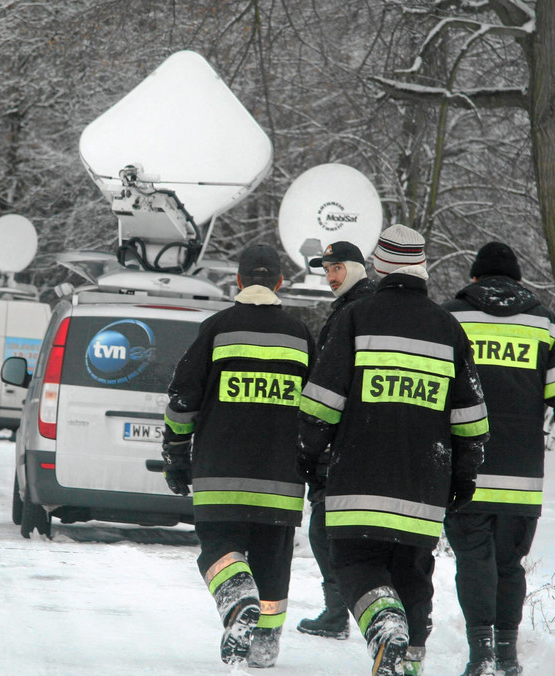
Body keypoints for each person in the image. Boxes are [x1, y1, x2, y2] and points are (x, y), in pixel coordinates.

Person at [297, 224, 489, 676]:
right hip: (425, 486)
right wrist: (463, 477)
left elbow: (320, 403)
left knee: (355, 562)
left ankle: (384, 625)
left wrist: (308, 455)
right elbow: (472, 419)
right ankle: (409, 666)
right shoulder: (448, 329)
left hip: (357, 481)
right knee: (413, 576)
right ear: (422, 267)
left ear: (378, 266)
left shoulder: (355, 319)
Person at [442, 242, 555, 676]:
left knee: (474, 559)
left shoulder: (451, 318)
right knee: (509, 564)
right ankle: (507, 656)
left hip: (463, 471)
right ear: (517, 282)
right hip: (520, 477)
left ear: (475, 279)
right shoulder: (545, 325)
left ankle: (480, 656)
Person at [162, 243, 316, 669]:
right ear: (281, 283)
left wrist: (176, 456)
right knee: (273, 564)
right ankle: (264, 649)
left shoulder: (216, 329)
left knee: (219, 549)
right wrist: (318, 467)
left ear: (239, 280)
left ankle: (237, 599)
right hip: (282, 482)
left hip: (220, 477)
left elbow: (181, 403)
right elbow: (319, 410)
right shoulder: (300, 336)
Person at [298, 241, 378, 641]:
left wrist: (315, 443)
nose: (330, 278)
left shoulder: (353, 313)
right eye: (326, 271)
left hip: (345, 438)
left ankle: (340, 612)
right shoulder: (357, 307)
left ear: (356, 268)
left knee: (325, 527)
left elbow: (332, 386)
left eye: (336, 269)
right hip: (362, 437)